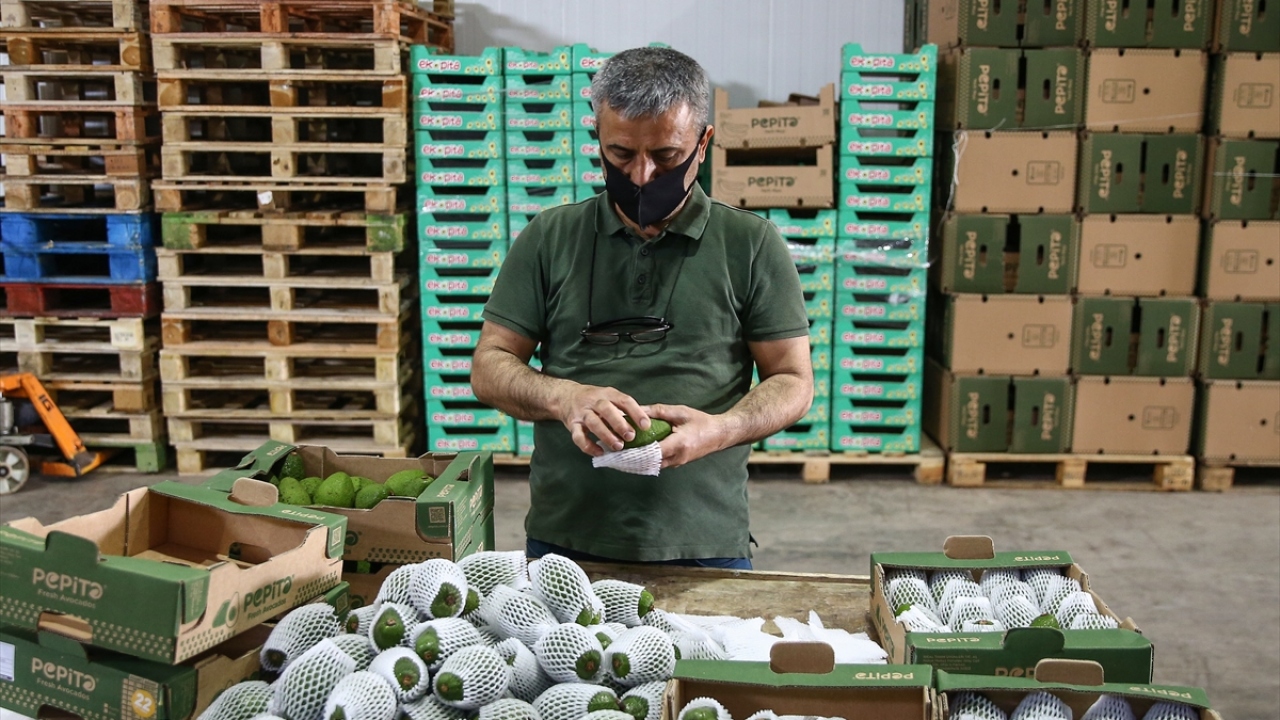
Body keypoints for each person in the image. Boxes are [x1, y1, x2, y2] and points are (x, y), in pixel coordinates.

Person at [470, 47, 813, 568]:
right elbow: (489, 367)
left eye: (667, 156)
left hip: (703, 545)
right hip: (566, 543)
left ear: (704, 143)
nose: (641, 175)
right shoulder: (550, 238)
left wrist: (720, 430)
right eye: (621, 154)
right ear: (599, 140)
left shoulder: (751, 244)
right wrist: (567, 397)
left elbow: (793, 379)